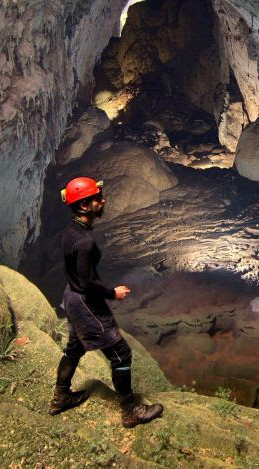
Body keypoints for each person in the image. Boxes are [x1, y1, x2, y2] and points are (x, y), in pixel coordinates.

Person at [48, 176, 164, 428]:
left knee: (74, 349)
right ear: (83, 206)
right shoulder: (85, 241)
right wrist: (113, 293)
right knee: (121, 354)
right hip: (85, 302)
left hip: (71, 296)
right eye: (97, 199)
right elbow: (88, 283)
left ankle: (60, 397)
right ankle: (130, 411)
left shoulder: (71, 230)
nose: (103, 200)